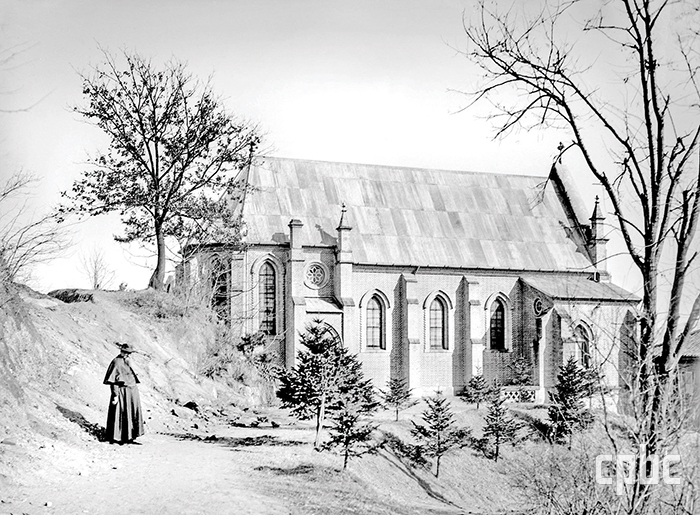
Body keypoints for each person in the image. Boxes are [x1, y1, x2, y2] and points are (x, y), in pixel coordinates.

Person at [103, 343, 145, 444]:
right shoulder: (116, 362)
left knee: (132, 412)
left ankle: (130, 437)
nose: (127, 355)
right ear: (121, 351)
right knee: (120, 413)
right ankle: (118, 438)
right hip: (122, 392)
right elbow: (113, 381)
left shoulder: (128, 361)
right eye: (125, 352)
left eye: (129, 353)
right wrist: (115, 395)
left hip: (132, 391)